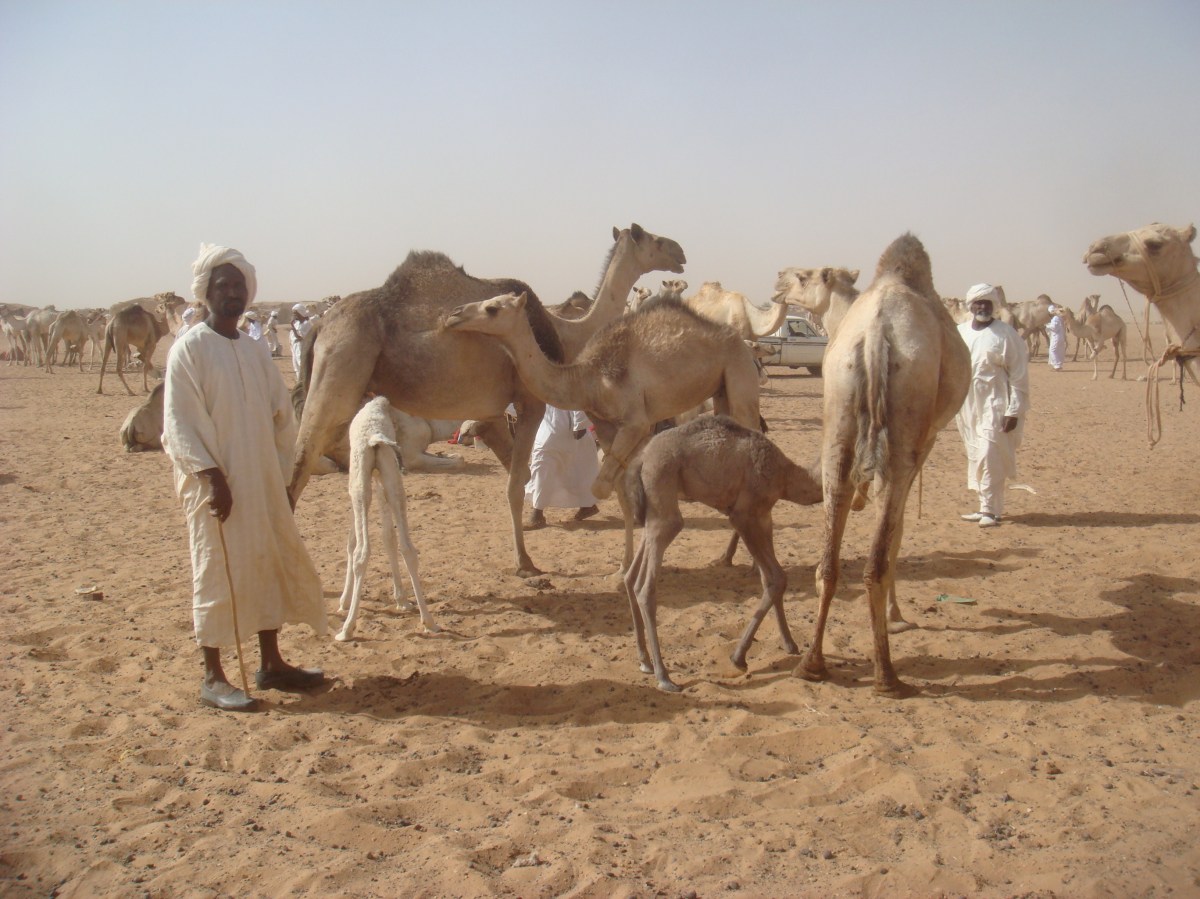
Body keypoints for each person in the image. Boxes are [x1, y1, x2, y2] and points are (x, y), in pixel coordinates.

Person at [162, 244, 327, 712]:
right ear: (206, 293)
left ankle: (271, 663)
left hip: (259, 480)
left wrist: (281, 476)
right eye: (223, 286)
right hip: (214, 485)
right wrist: (212, 476)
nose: (232, 293)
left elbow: (281, 418)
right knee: (216, 570)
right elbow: (179, 423)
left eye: (238, 286)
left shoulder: (254, 351)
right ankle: (213, 676)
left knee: (265, 561)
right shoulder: (188, 351)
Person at [955, 283, 1030, 528]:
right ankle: (987, 508)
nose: (982, 307)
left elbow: (1018, 375)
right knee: (977, 453)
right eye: (978, 302)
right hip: (967, 402)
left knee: (990, 452)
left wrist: (1014, 410)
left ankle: (989, 509)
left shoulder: (1006, 334)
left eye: (987, 303)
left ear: (994, 306)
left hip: (996, 400)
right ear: (970, 305)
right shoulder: (960, 332)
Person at [523, 405, 601, 530]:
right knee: (578, 466)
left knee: (543, 463)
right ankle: (588, 505)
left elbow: (578, 391)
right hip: (552, 421)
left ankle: (537, 514)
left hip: (565, 426)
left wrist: (579, 423)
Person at [289, 304, 313, 376]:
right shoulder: (297, 323)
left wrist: (292, 327)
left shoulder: (306, 324)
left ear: (300, 312)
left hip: (302, 346)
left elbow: (300, 337)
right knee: (296, 366)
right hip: (295, 346)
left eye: (295, 313)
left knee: (302, 364)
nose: (294, 315)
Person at [1045, 305, 1066, 371]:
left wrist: (1047, 325)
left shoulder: (1055, 318)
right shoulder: (1059, 318)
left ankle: (1057, 366)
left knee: (1052, 350)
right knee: (1058, 351)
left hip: (1056, 337)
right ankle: (1058, 365)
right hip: (1060, 336)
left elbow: (1054, 328)